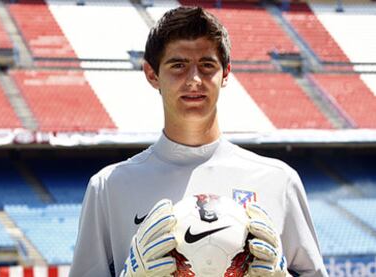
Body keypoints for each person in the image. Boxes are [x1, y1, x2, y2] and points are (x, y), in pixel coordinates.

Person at [69, 6, 328, 277]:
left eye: (207, 65)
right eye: (178, 65)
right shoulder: (109, 187)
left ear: (225, 73)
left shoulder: (279, 181)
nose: (194, 80)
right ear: (152, 74)